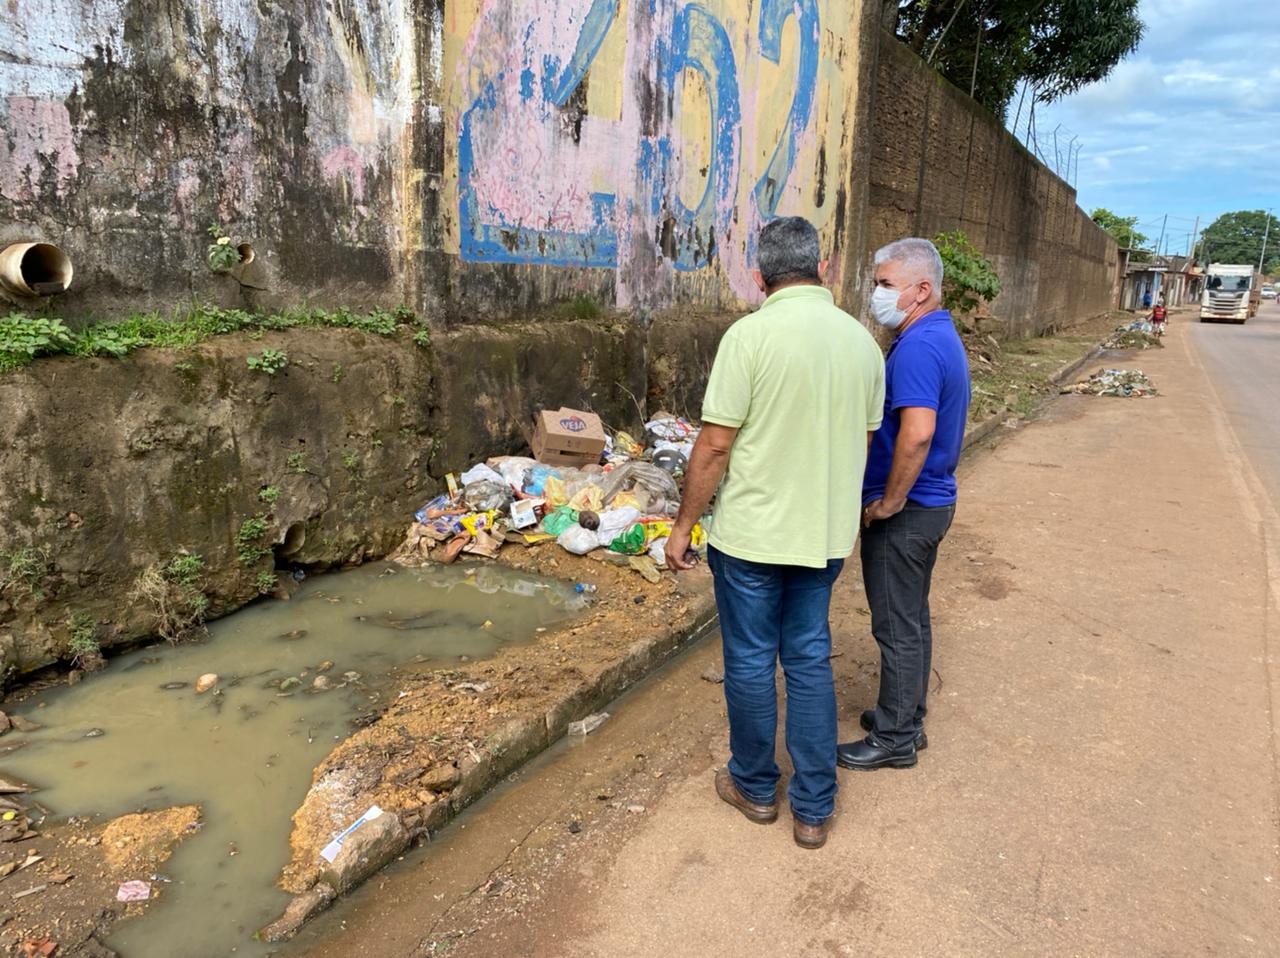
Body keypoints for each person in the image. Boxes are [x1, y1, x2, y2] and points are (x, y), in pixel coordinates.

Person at [665, 217, 885, 850]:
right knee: (811, 659)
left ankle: (757, 789)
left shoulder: (750, 336)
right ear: (824, 268)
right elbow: (865, 441)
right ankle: (814, 808)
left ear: (760, 278)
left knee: (753, 661)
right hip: (822, 539)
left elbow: (713, 445)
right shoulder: (862, 344)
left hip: (753, 540)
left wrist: (684, 526)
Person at [836, 237, 970, 772]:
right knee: (911, 618)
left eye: (886, 285)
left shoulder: (917, 348)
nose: (877, 295)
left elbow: (916, 434)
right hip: (932, 504)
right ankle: (906, 716)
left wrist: (889, 502)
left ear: (921, 290)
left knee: (894, 623)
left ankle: (894, 738)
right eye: (876, 284)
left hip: (910, 512)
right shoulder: (937, 335)